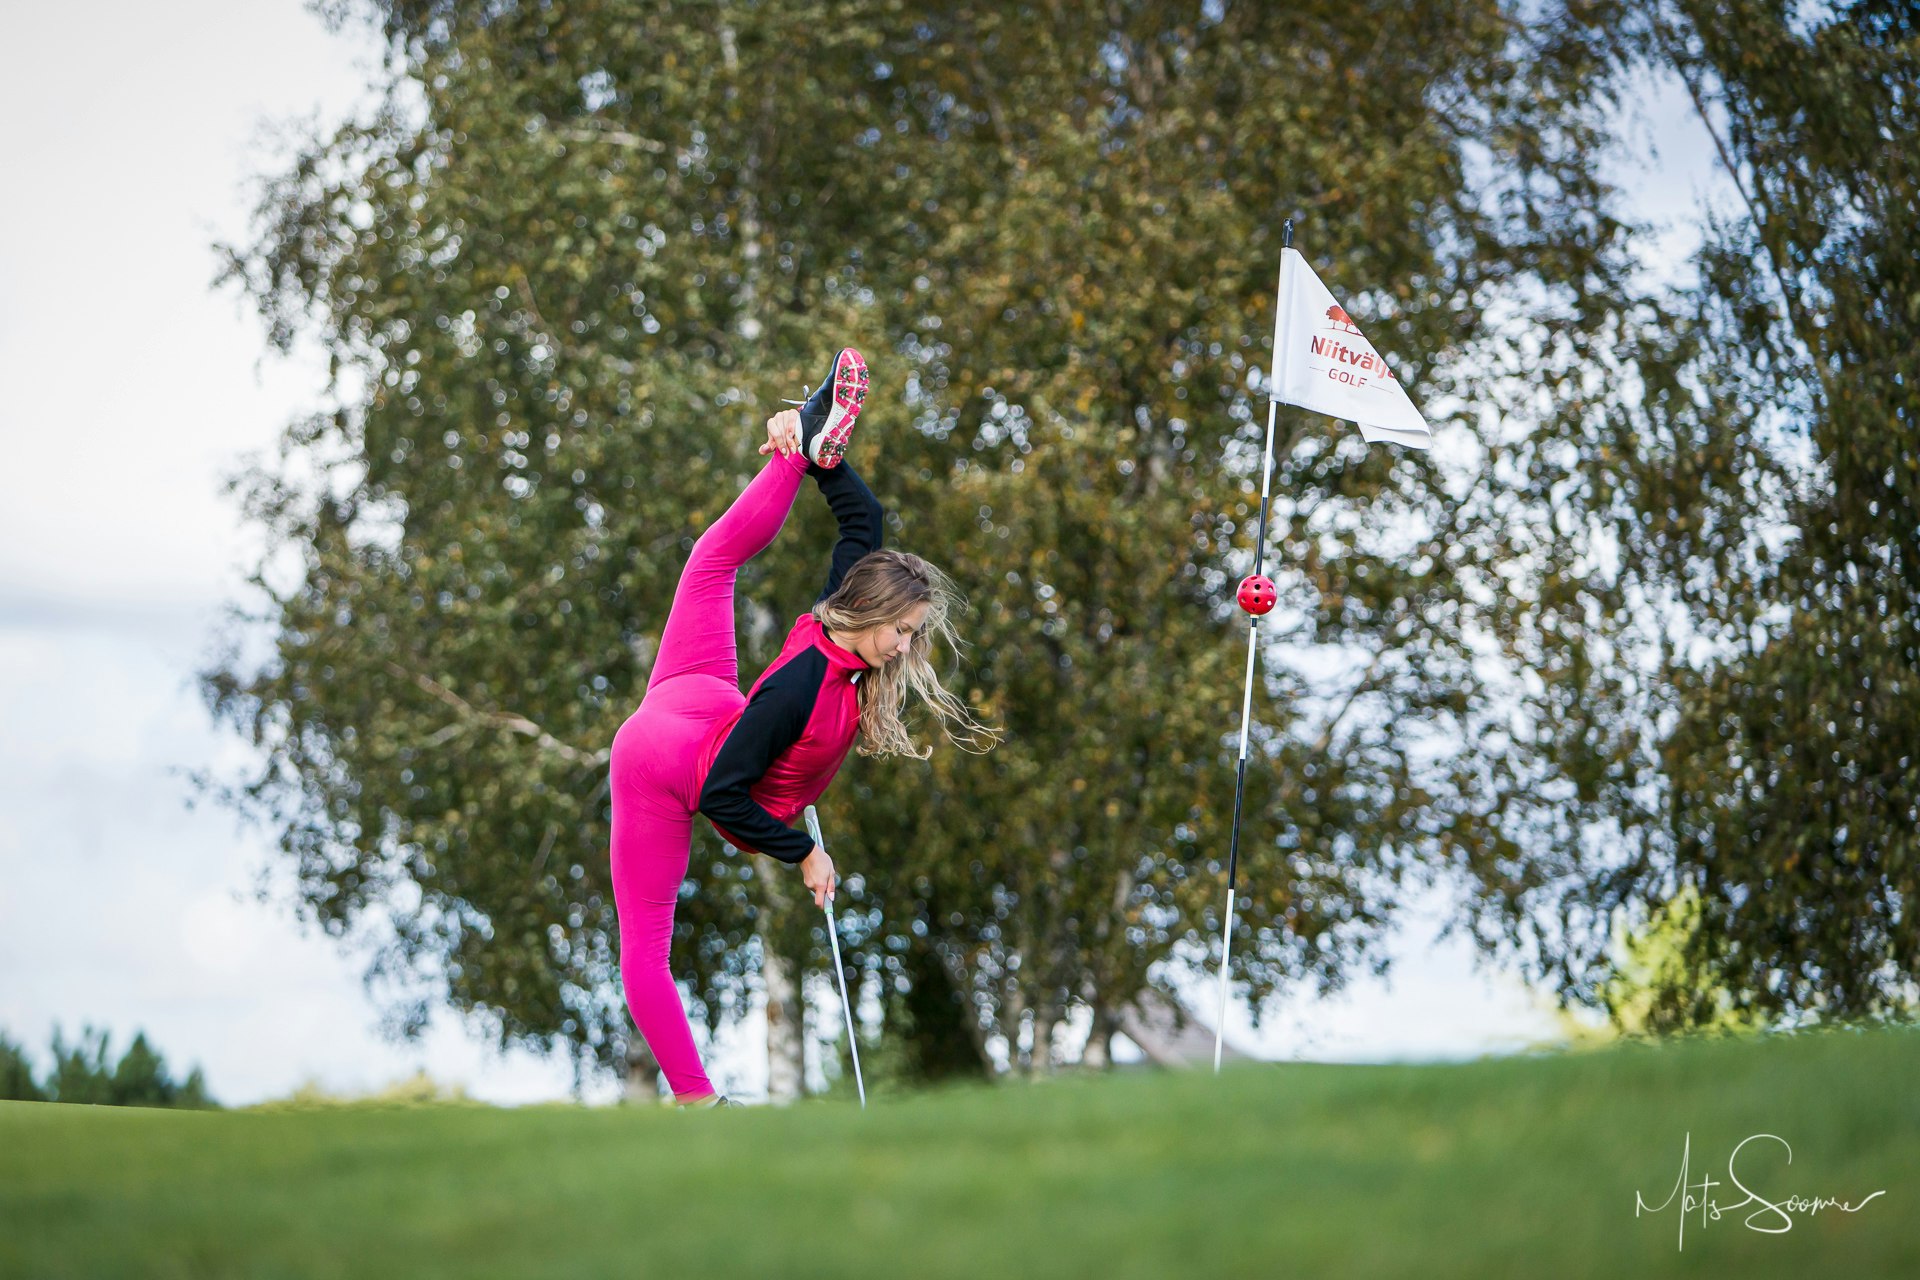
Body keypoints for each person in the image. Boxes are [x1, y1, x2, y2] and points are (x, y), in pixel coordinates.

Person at [608, 347, 998, 1106]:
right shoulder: (798, 686)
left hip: (699, 696)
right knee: (645, 949)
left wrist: (824, 464)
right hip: (665, 765)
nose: (908, 647)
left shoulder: (843, 611)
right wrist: (803, 853)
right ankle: (699, 1101)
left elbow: (865, 520)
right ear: (874, 616)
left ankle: (804, 440)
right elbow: (724, 797)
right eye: (906, 632)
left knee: (709, 563)